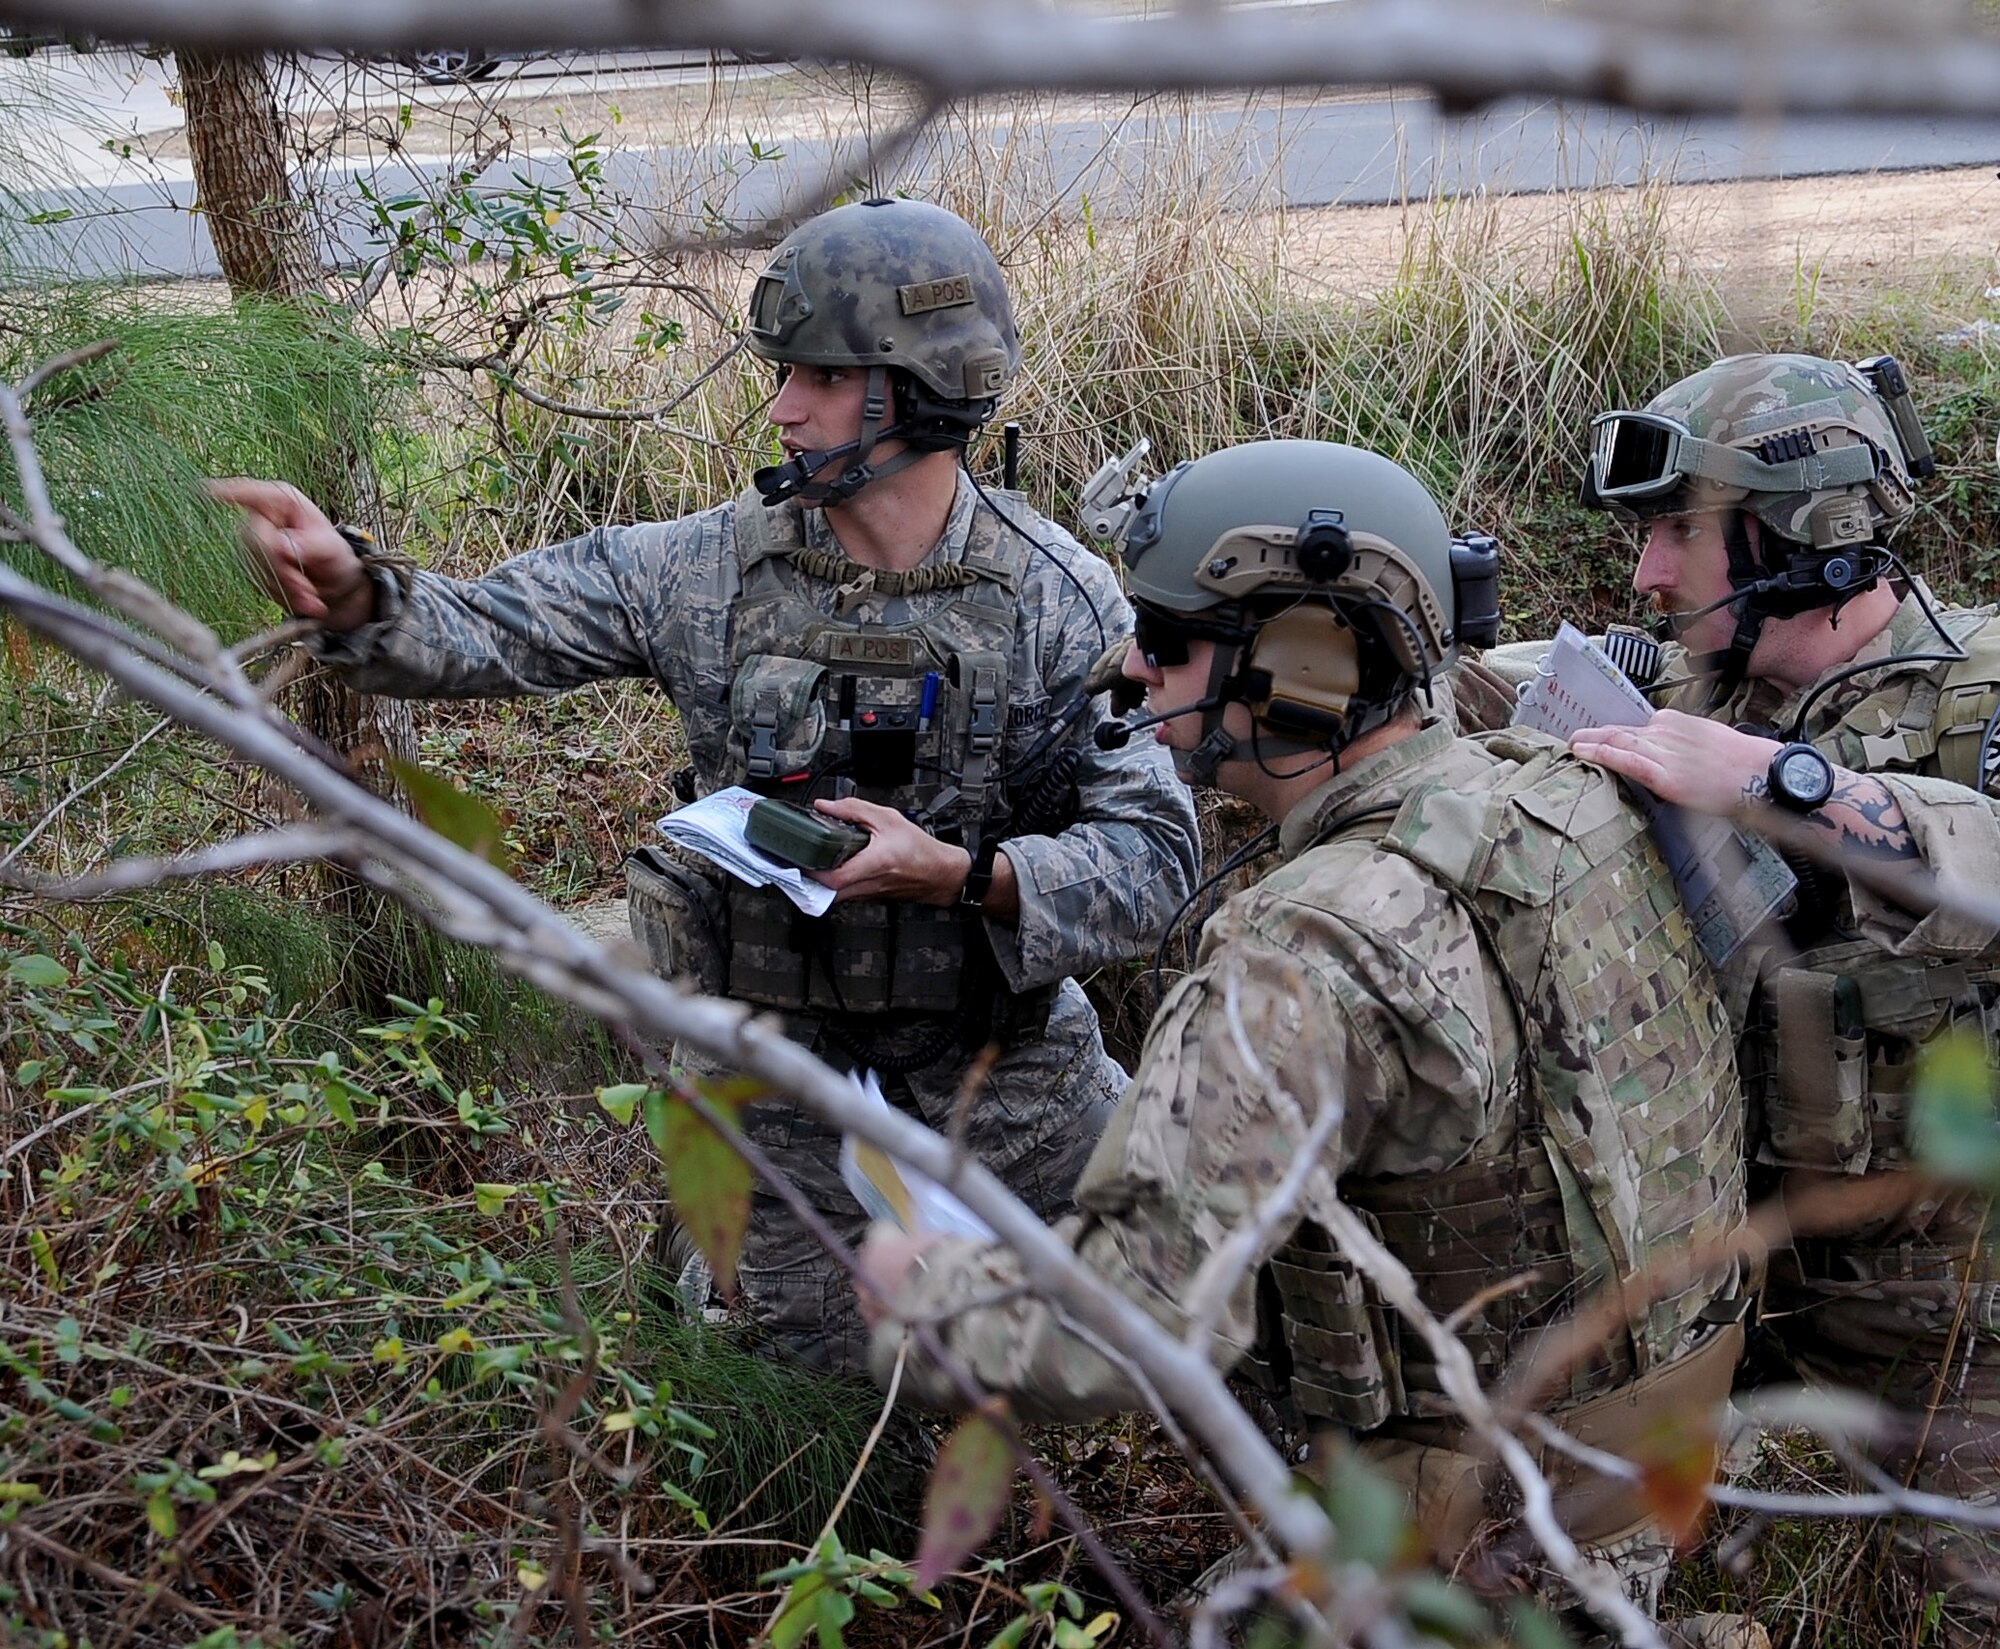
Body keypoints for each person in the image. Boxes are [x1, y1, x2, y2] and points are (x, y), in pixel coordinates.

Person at [213, 196, 1200, 1374]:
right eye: (785, 373)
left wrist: (963, 876)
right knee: (804, 1418)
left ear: (921, 388)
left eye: (823, 377)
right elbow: (488, 627)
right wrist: (357, 594)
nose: (783, 406)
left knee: (1171, 1331)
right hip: (779, 1110)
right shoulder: (701, 569)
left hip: (1011, 1092)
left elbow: (1152, 861)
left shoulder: (1060, 599)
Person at [861, 439, 1750, 1618]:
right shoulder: (1571, 792)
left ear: (1302, 662)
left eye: (1166, 639)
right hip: (1658, 1446)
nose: (1129, 668)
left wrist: (920, 1288)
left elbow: (1129, 1327)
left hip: (1477, 1523)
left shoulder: (1301, 950)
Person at [1478, 351, 2000, 1641]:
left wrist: (1789, 784)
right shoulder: (1677, 678)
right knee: (1528, 1542)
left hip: (1943, 1297)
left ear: (1799, 535)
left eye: (1677, 534)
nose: (1646, 573)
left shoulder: (1975, 692)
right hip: (1716, 1254)